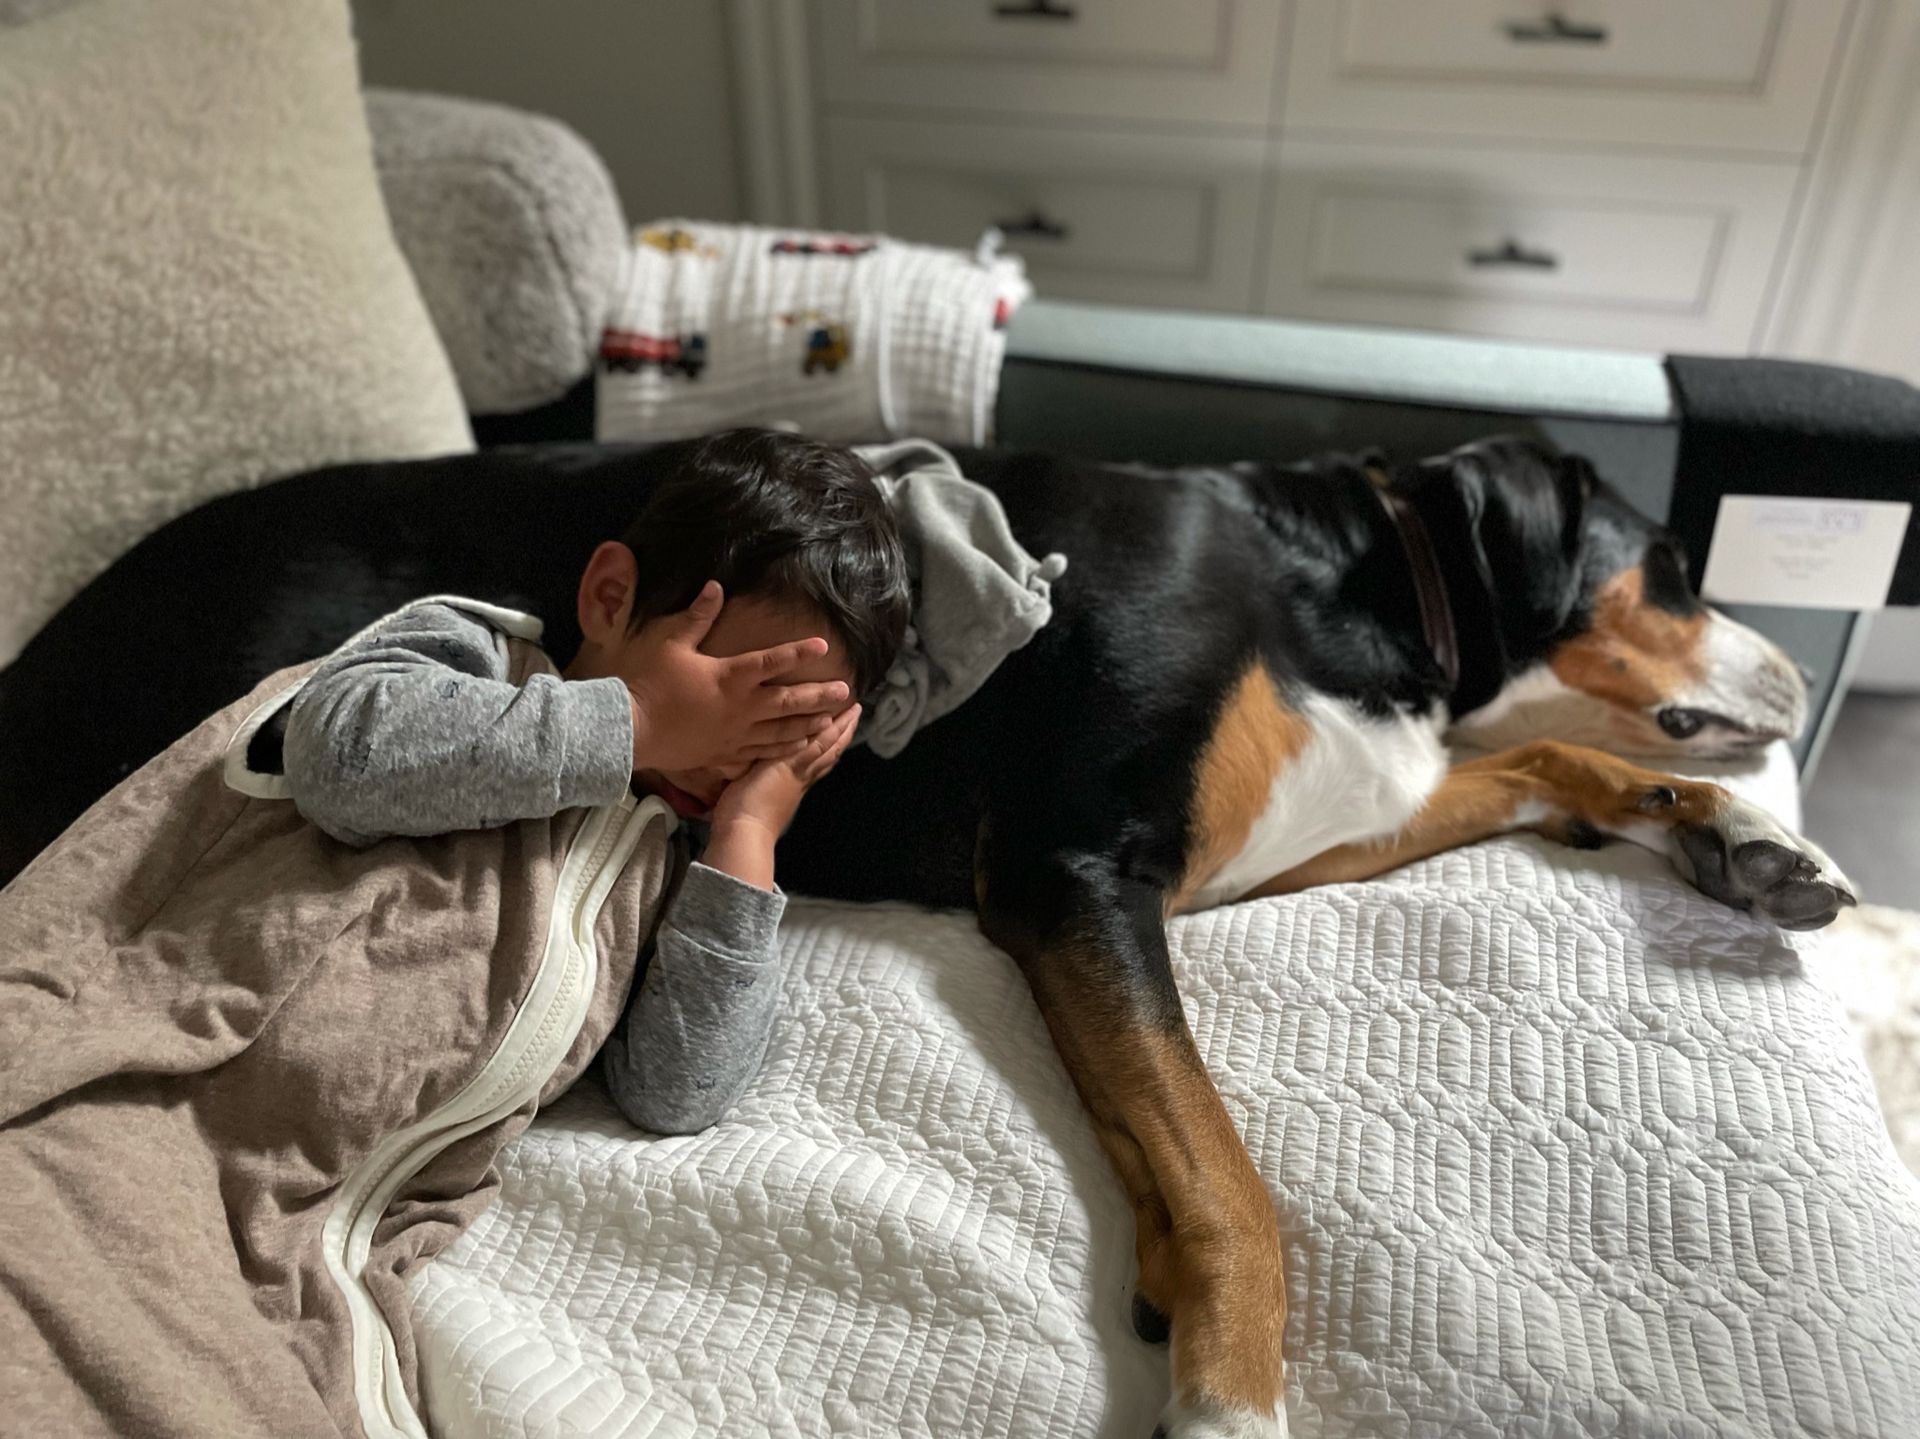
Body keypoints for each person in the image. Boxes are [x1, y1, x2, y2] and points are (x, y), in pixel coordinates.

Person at [279, 428, 911, 1133]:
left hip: (375, 1171)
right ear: (612, 599)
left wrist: (749, 832)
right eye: (730, 703)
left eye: (779, 735)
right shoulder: (479, 662)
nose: (733, 756)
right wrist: (639, 721)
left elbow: (673, 1092)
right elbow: (333, 758)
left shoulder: (675, 873)